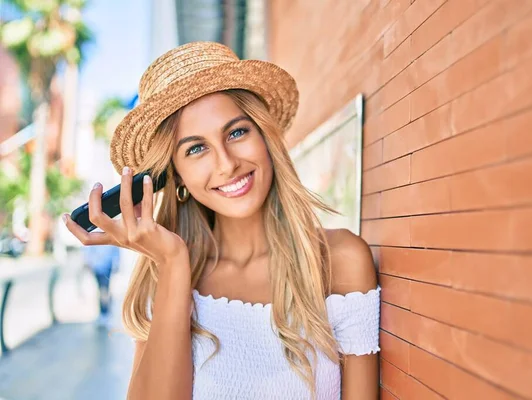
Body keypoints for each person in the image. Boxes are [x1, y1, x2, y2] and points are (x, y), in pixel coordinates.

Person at [63, 41, 380, 399]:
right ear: (176, 176)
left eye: (237, 132)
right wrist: (173, 263)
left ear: (265, 138)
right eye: (196, 148)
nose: (227, 163)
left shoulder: (340, 260)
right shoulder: (165, 280)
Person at [82, 244, 120, 327]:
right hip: (98, 266)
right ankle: (104, 312)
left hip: (104, 266)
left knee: (104, 291)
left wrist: (117, 263)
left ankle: (105, 313)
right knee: (102, 290)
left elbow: (116, 250)